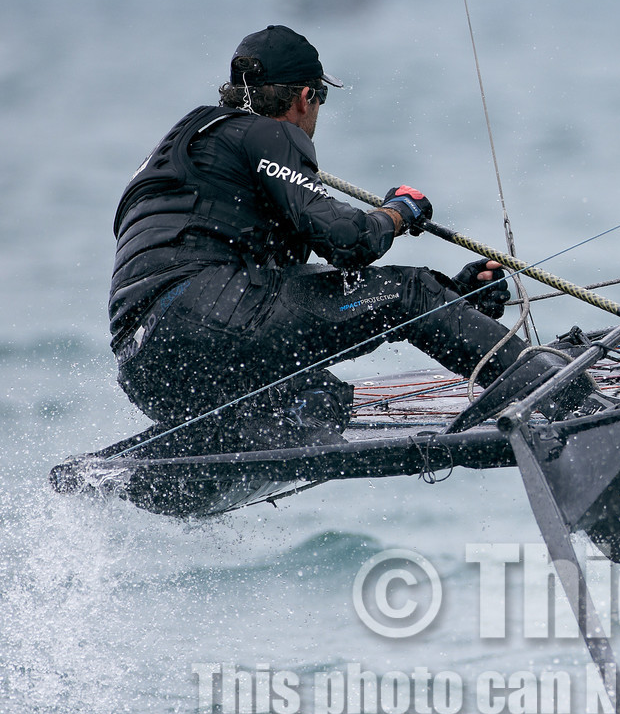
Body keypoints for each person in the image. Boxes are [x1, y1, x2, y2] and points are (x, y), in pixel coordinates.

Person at [109, 25, 530, 454]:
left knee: (318, 400)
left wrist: (452, 300)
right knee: (412, 292)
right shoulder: (266, 133)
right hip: (205, 322)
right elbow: (348, 241)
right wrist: (400, 212)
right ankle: (547, 389)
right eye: (320, 98)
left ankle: (133, 472)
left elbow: (303, 297)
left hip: (146, 367)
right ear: (305, 97)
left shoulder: (189, 145)